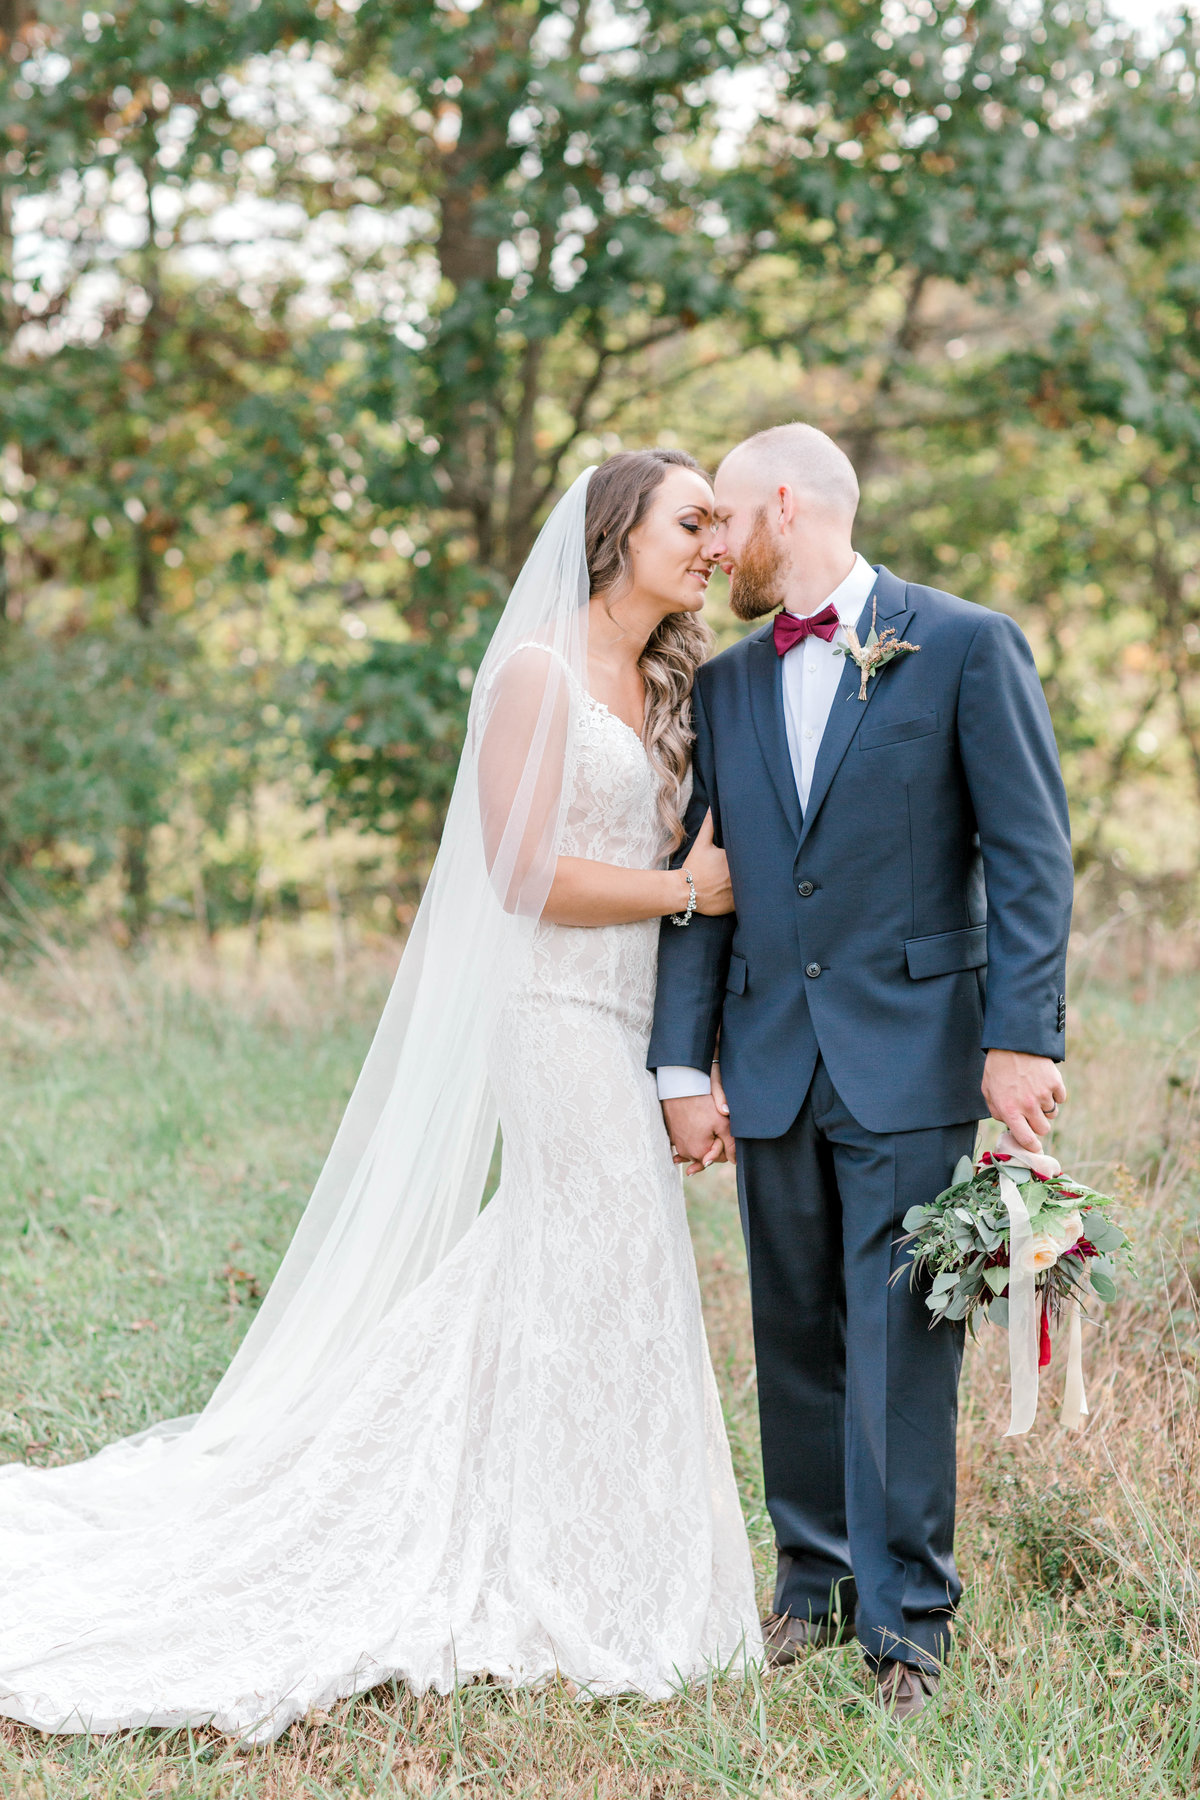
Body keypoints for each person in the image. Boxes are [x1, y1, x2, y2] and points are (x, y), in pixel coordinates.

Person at [0, 451, 761, 1742]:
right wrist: (691, 890)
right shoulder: (538, 674)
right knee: (602, 1258)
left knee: (579, 1272)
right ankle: (549, 1561)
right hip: (556, 1013)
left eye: (721, 528)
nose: (715, 548)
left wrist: (694, 1049)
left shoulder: (668, 682)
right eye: (693, 523)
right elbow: (521, 873)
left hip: (632, 1020)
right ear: (617, 529)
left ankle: (561, 1534)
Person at [650, 423, 1073, 1720]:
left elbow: (1030, 855)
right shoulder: (724, 685)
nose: (716, 546)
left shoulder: (962, 644)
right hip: (773, 1059)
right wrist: (681, 1062)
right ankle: (812, 1588)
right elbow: (705, 892)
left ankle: (908, 1623)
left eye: (723, 519)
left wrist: (1021, 1039)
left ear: (787, 505)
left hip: (917, 1057)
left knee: (902, 1342)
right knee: (795, 1337)